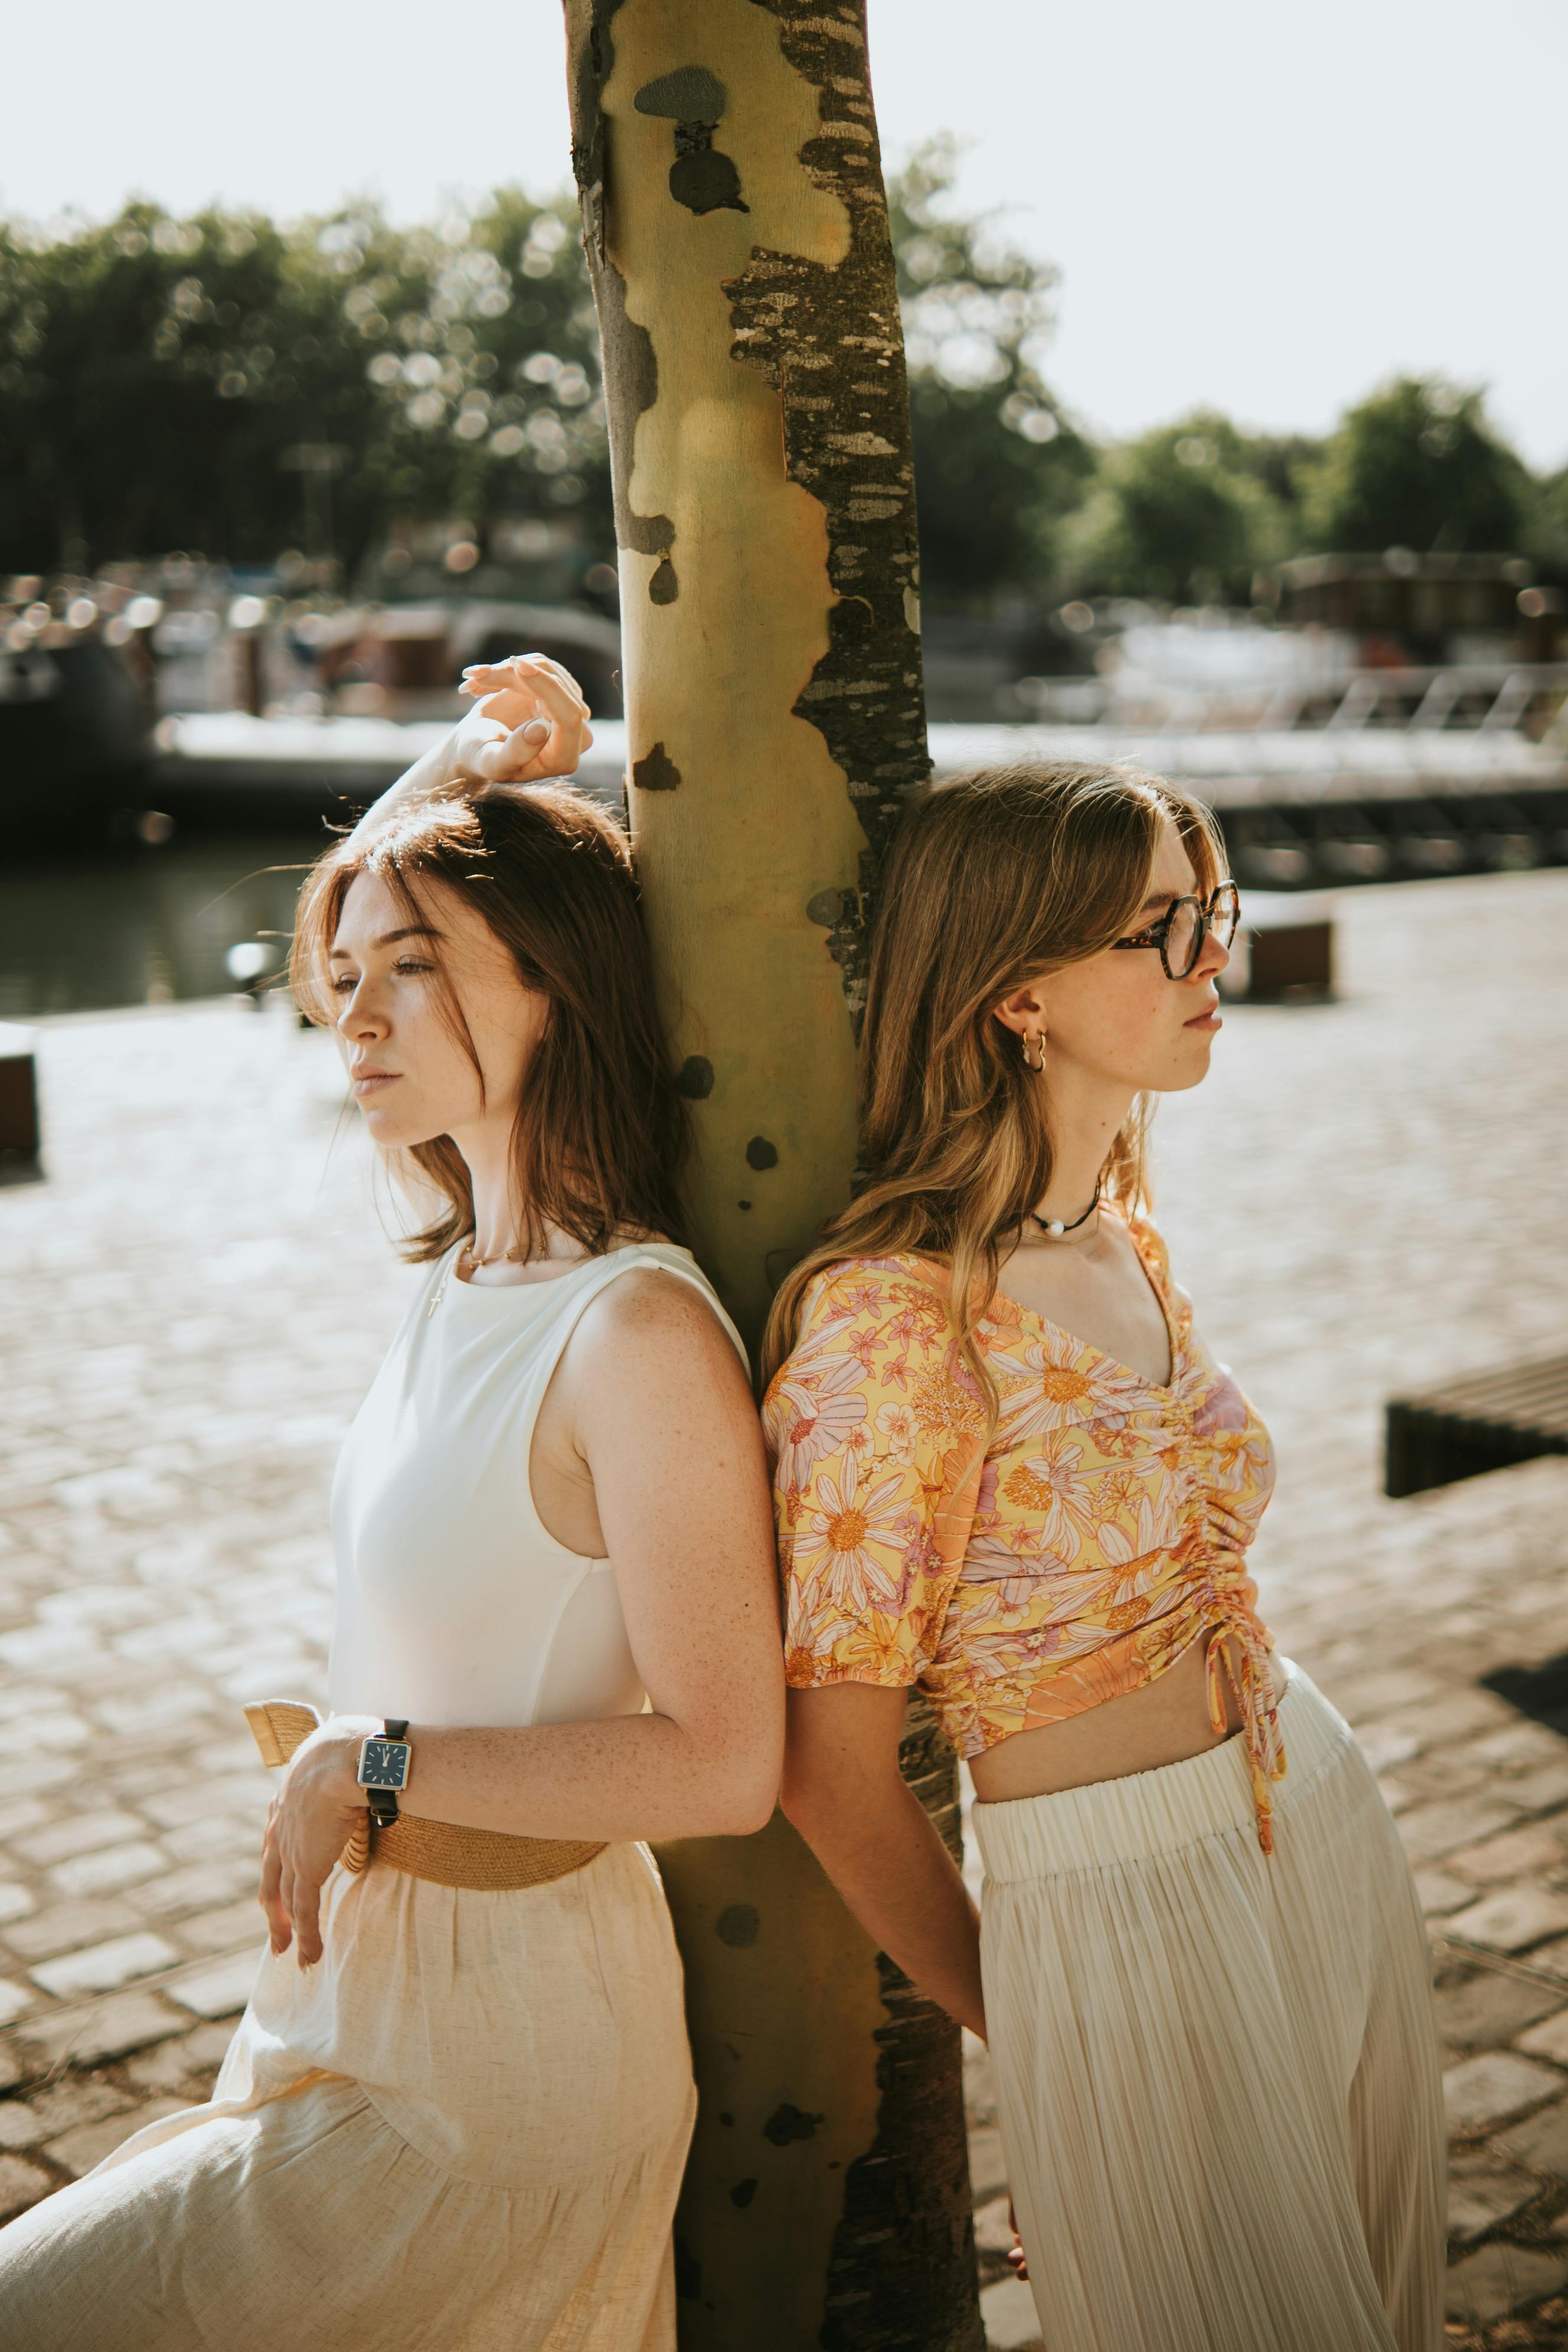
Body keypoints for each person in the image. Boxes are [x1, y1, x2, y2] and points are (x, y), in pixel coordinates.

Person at [0, 656, 785, 2351]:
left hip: (510, 2047)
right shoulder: (465, 1273)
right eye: (345, 978)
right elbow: (358, 933)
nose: (353, 1016)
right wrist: (469, 757)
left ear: (561, 986)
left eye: (411, 975)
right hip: (351, 1991)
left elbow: (726, 1762)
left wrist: (369, 1760)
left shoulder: (631, 1336)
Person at [762, 760, 1445, 2352]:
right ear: (1017, 992)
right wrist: (1038, 2023)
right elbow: (830, 1773)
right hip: (1113, 1911)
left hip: (1310, 1825)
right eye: (1162, 929)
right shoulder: (893, 1324)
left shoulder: (1121, 1231)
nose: (1216, 956)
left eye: (1211, 912)